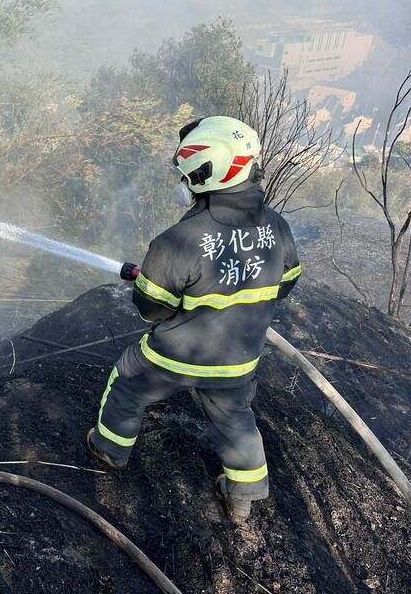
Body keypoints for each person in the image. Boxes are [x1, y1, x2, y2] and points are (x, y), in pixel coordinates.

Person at [86, 116, 301, 522]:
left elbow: (152, 307)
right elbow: (286, 282)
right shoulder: (278, 227)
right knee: (236, 420)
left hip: (174, 359)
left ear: (206, 174)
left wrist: (158, 283)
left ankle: (109, 450)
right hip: (238, 362)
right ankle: (242, 498)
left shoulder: (179, 240)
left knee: (127, 385)